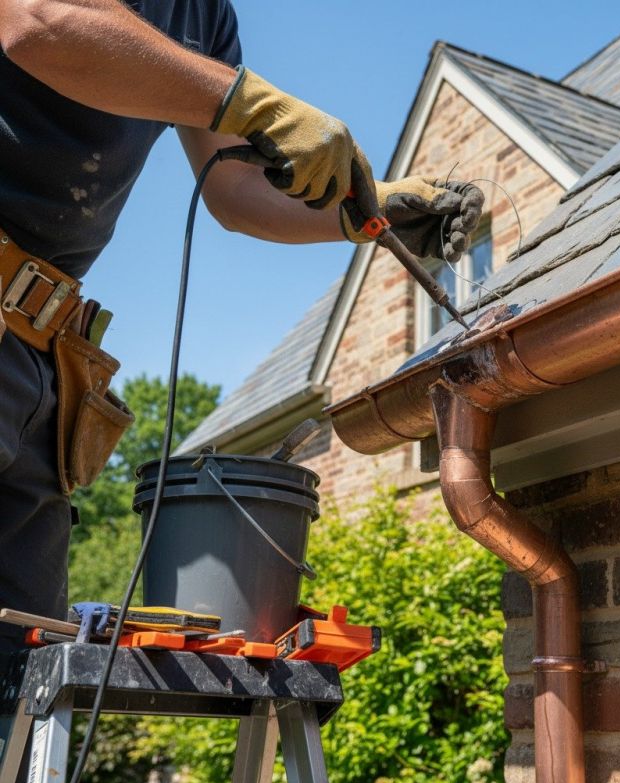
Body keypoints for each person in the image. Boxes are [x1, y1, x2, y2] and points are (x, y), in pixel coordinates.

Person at [0, 0, 484, 663]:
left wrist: (368, 213)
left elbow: (235, 190)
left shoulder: (202, 13)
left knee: (19, 669)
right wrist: (250, 101)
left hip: (38, 356)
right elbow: (35, 22)